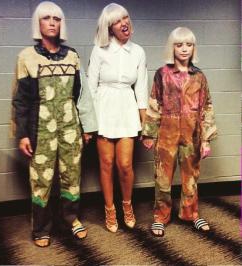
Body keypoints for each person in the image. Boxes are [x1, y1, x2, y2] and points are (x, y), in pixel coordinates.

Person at [12, 1, 97, 247]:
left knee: (72, 173)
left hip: (70, 127)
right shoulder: (26, 57)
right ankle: (41, 227)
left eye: (57, 18)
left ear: (62, 24)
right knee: (42, 178)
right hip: (41, 129)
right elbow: (21, 100)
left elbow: (83, 94)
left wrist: (86, 127)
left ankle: (71, 218)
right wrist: (23, 134)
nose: (52, 22)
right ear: (38, 23)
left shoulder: (72, 56)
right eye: (46, 18)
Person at [142, 27, 217, 237]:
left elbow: (207, 107)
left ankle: (190, 213)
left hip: (192, 134)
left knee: (191, 176)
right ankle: (160, 216)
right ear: (172, 48)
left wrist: (206, 139)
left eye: (188, 45)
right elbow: (154, 103)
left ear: (194, 48)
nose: (184, 49)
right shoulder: (162, 74)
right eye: (179, 45)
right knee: (163, 177)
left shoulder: (199, 76)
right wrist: (149, 133)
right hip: (166, 133)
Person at [87, 3, 148, 233]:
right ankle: (110, 209)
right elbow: (91, 89)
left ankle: (127, 205)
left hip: (126, 107)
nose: (124, 23)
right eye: (117, 21)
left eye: (126, 18)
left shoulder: (139, 51)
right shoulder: (99, 50)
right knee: (106, 164)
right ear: (109, 27)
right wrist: (89, 123)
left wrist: (145, 122)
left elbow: (141, 88)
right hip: (104, 107)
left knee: (125, 165)